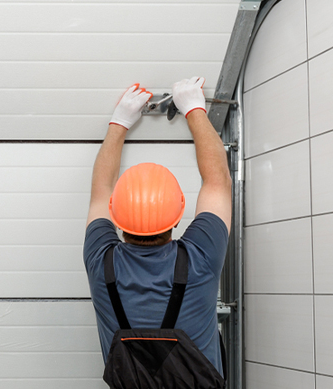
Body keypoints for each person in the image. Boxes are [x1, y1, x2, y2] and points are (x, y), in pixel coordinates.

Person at [83, 78, 232, 388]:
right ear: (177, 216)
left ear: (117, 216)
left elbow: (100, 191)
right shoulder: (201, 257)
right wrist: (194, 109)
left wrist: (120, 121)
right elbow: (217, 182)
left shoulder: (101, 262)